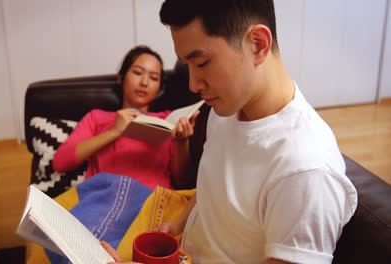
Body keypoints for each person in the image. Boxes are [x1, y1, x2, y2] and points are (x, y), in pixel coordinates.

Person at [104, 0, 358, 263]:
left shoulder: (304, 171)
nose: (193, 84)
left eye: (201, 63)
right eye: (187, 65)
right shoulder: (226, 110)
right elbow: (213, 185)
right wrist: (178, 224)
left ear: (258, 44)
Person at [52, 45, 199, 190]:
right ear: (121, 77)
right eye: (137, 72)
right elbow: (60, 163)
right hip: (106, 198)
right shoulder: (97, 118)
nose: (144, 83)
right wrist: (114, 132)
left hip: (152, 203)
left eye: (154, 78)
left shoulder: (168, 120)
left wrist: (181, 142)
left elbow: (182, 182)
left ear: (159, 88)